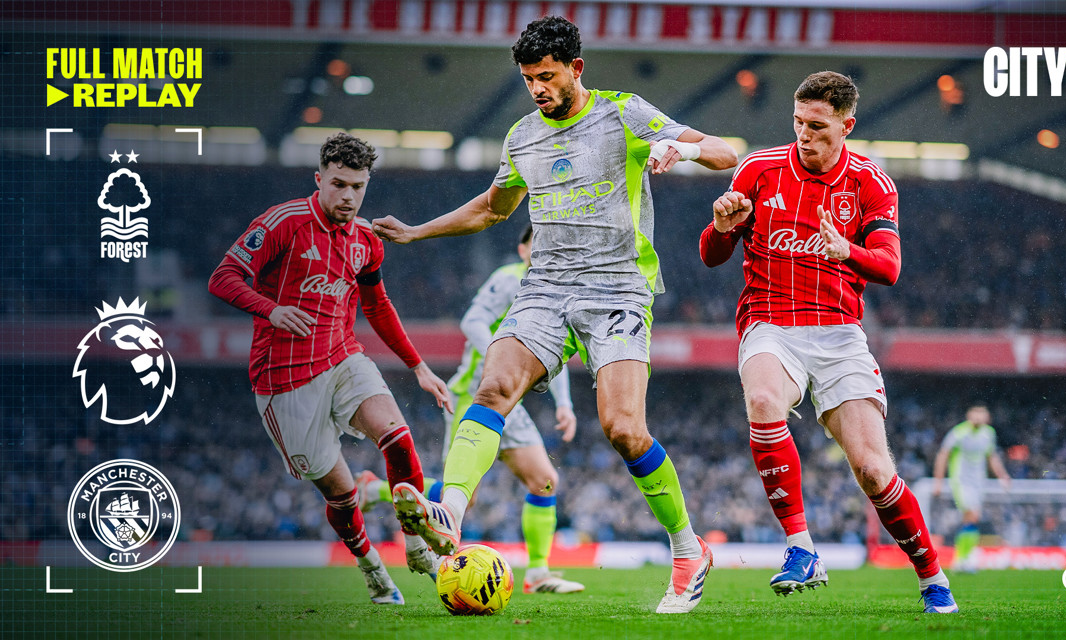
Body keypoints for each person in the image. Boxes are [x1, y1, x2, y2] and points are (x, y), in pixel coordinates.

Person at [372, 16, 737, 613]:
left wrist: (684, 146)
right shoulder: (522, 137)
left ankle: (687, 546)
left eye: (546, 76)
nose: (538, 88)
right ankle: (450, 512)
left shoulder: (624, 113)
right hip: (545, 287)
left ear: (576, 68)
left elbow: (727, 152)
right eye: (528, 79)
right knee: (492, 387)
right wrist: (415, 232)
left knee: (623, 429)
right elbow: (494, 208)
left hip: (619, 289)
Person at [700, 71, 958, 613]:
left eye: (817, 125)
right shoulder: (759, 170)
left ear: (847, 125)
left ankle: (932, 576)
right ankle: (800, 547)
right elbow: (710, 255)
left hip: (839, 332)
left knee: (872, 469)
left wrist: (848, 251)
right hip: (769, 319)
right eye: (798, 122)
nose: (804, 134)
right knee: (765, 400)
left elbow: (889, 266)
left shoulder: (871, 183)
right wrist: (722, 225)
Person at [207, 132, 452, 605]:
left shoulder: (365, 239)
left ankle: (418, 545)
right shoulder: (283, 223)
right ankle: (371, 567)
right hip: (284, 381)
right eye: (339, 184)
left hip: (342, 356)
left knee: (398, 436)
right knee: (340, 496)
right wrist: (270, 309)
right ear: (319, 179)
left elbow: (378, 306)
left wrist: (418, 366)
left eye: (358, 187)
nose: (349, 196)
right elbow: (223, 277)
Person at [356, 223, 586, 595]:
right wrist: (502, 352)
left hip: (513, 400)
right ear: (523, 250)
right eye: (536, 244)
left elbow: (552, 353)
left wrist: (565, 404)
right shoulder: (508, 279)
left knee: (544, 480)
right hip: (477, 393)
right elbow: (472, 321)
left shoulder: (554, 293)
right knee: (465, 496)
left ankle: (539, 573)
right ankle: (378, 490)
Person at [932, 405, 1012, 573]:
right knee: (972, 515)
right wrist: (938, 482)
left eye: (981, 415)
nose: (978, 418)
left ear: (987, 417)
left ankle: (964, 557)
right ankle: (963, 559)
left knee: (972, 519)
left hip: (978, 482)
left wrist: (1003, 476)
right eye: (975, 415)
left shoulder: (988, 433)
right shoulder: (958, 433)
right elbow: (943, 454)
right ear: (969, 416)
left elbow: (992, 456)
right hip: (961, 481)